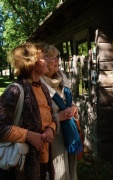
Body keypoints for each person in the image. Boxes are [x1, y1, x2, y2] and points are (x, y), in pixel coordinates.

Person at [0, 42, 57, 180]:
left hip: (44, 161)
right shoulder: (14, 91)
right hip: (21, 166)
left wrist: (51, 128)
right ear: (32, 63)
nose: (47, 61)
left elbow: (52, 118)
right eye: (43, 58)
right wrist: (27, 135)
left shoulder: (43, 89)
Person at [40, 44, 82, 180]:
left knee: (71, 168)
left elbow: (70, 103)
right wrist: (59, 117)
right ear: (42, 61)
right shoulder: (38, 86)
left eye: (57, 57)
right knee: (59, 172)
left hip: (69, 135)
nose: (57, 60)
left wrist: (74, 108)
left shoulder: (63, 81)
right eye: (52, 57)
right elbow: (37, 117)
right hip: (54, 139)